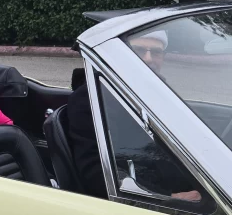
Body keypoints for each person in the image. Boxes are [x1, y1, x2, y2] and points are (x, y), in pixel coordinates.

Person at [67, 28, 200, 201]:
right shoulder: (91, 98)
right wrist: (170, 198)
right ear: (119, 55)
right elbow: (98, 171)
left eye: (156, 52)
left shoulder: (161, 92)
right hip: (146, 205)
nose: (148, 58)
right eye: (138, 50)